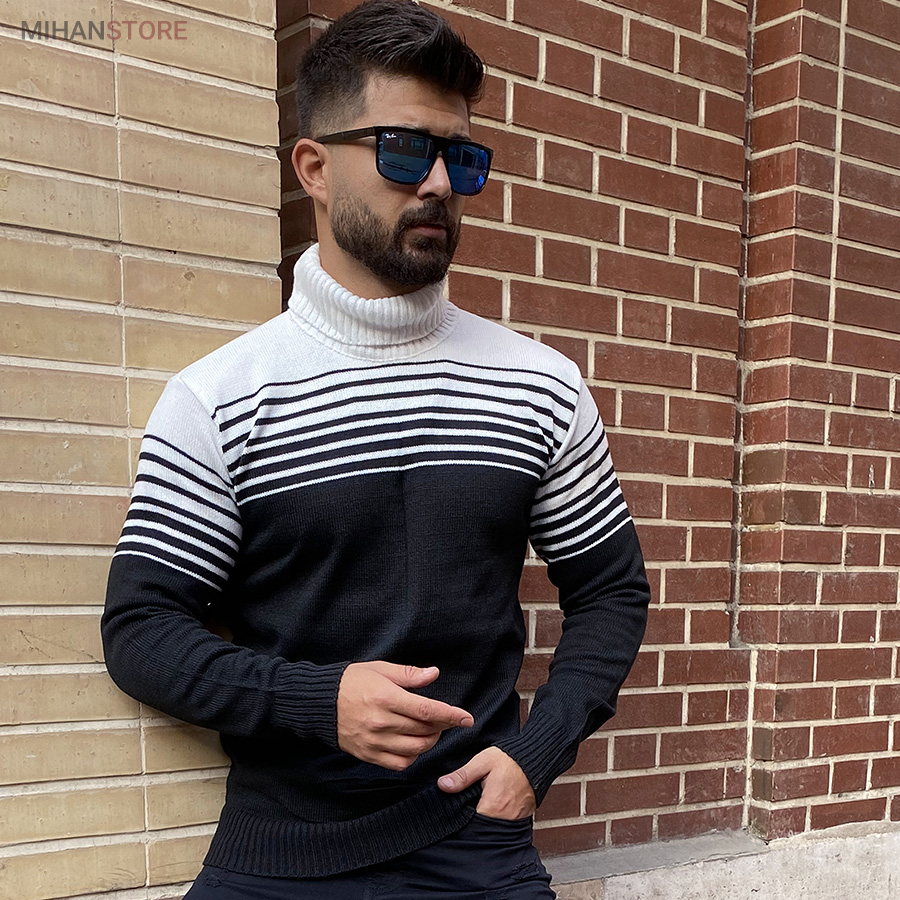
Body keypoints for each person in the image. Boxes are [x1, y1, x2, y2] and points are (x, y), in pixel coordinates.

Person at [100, 1, 651, 897]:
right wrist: (317, 701)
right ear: (314, 168)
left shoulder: (538, 385)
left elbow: (611, 590)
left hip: (473, 841)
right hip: (278, 852)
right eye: (402, 150)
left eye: (459, 157)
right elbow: (142, 632)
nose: (436, 182)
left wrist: (538, 753)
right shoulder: (222, 397)